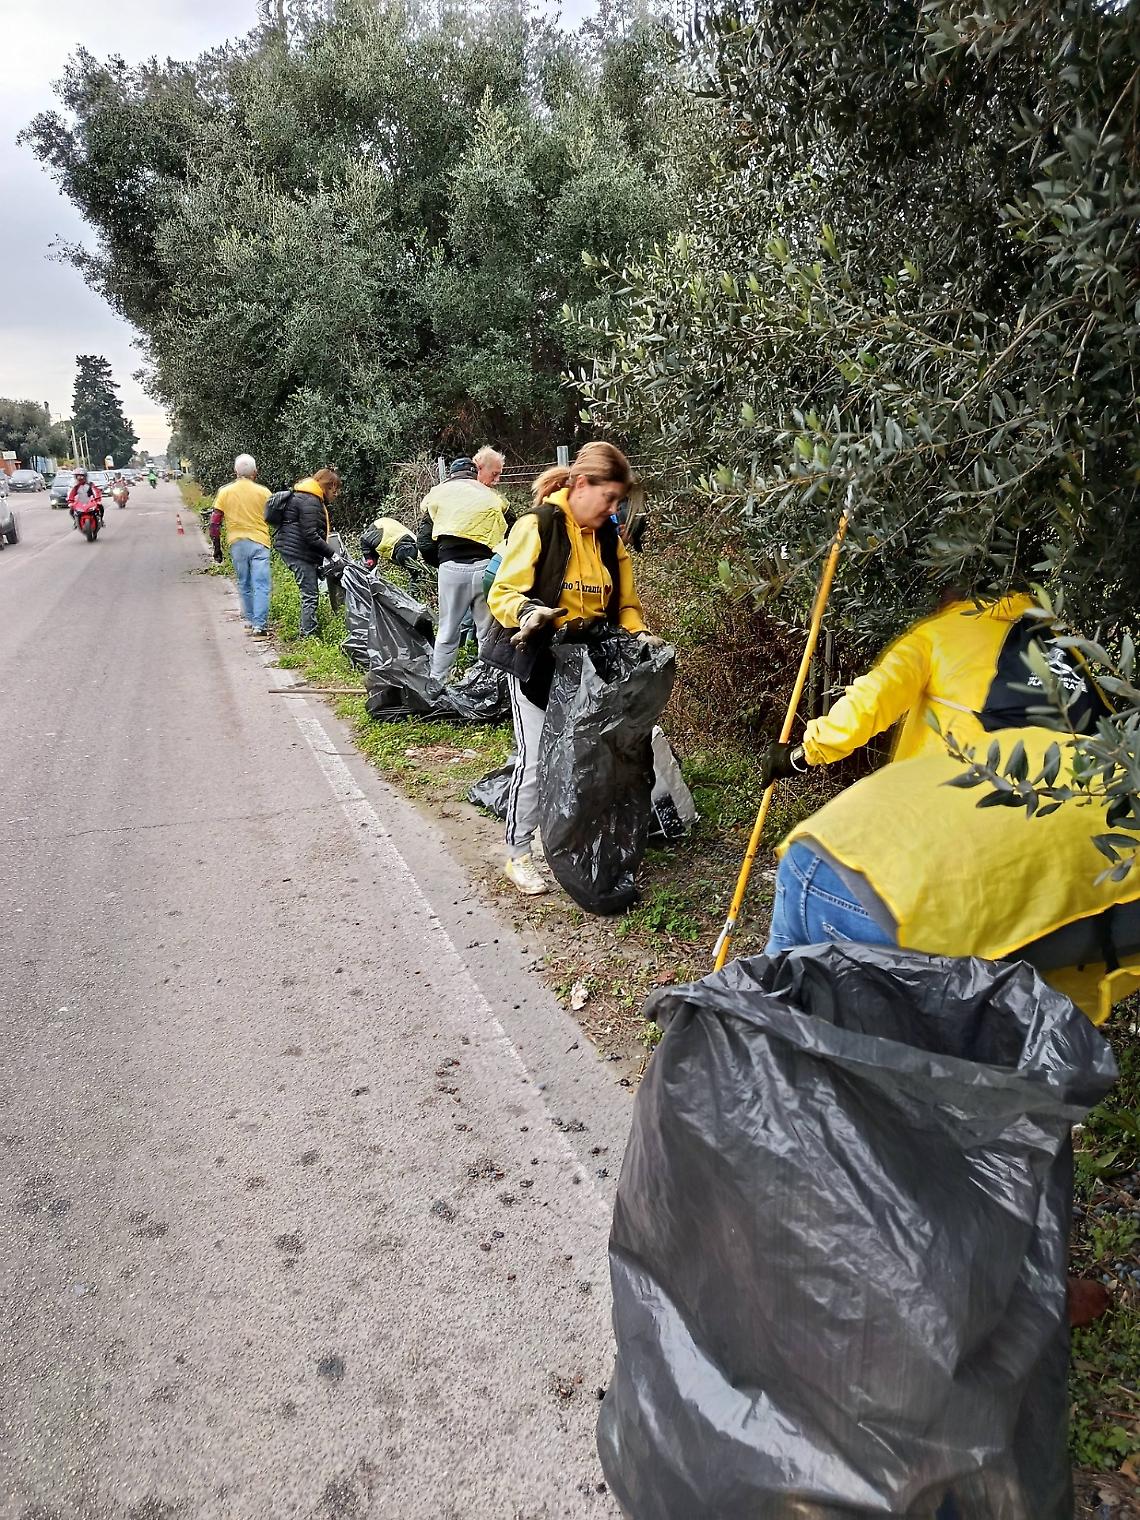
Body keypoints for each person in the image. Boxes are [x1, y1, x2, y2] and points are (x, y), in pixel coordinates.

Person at [764, 724, 1140, 1022]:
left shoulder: (1091, 750)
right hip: (894, 909)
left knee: (763, 1029)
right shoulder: (1125, 834)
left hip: (822, 843)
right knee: (878, 1095)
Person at [483, 441, 664, 896]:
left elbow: (625, 604)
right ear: (582, 484)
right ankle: (518, 853)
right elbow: (503, 592)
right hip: (536, 659)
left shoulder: (607, 538)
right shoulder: (538, 525)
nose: (612, 508)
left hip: (588, 668)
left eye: (618, 501)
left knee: (587, 759)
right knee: (535, 761)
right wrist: (529, 613)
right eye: (608, 498)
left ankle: (569, 841)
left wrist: (639, 635)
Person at [759, 589, 1105, 787]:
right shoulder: (1055, 637)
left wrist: (801, 756)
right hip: (1067, 809)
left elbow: (871, 701)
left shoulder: (939, 634)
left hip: (958, 803)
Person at [417, 455, 509, 679]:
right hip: (485, 569)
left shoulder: (438, 494)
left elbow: (424, 543)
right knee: (487, 633)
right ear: (475, 473)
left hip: (451, 568)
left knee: (448, 631)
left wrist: (442, 564)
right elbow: (512, 532)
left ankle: (437, 684)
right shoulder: (491, 497)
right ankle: (486, 684)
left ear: (451, 475)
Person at [274, 468, 344, 639]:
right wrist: (332, 555)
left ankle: (308, 631)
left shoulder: (308, 496)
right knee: (310, 594)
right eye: (337, 490)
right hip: (298, 552)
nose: (337, 494)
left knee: (310, 592)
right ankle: (307, 636)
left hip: (295, 550)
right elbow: (311, 535)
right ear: (331, 485)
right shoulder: (310, 500)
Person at [209, 454, 272, 637]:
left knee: (244, 583)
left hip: (237, 543)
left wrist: (217, 548)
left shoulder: (225, 492)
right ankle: (260, 625)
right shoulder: (264, 492)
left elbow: (214, 523)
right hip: (260, 542)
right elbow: (274, 517)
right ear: (255, 472)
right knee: (261, 584)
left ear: (235, 472)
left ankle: (251, 620)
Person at [360, 515, 423, 584]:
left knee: (408, 563)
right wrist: (368, 558)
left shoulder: (407, 551)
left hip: (401, 543)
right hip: (384, 531)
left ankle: (415, 583)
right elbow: (364, 539)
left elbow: (365, 540)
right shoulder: (378, 538)